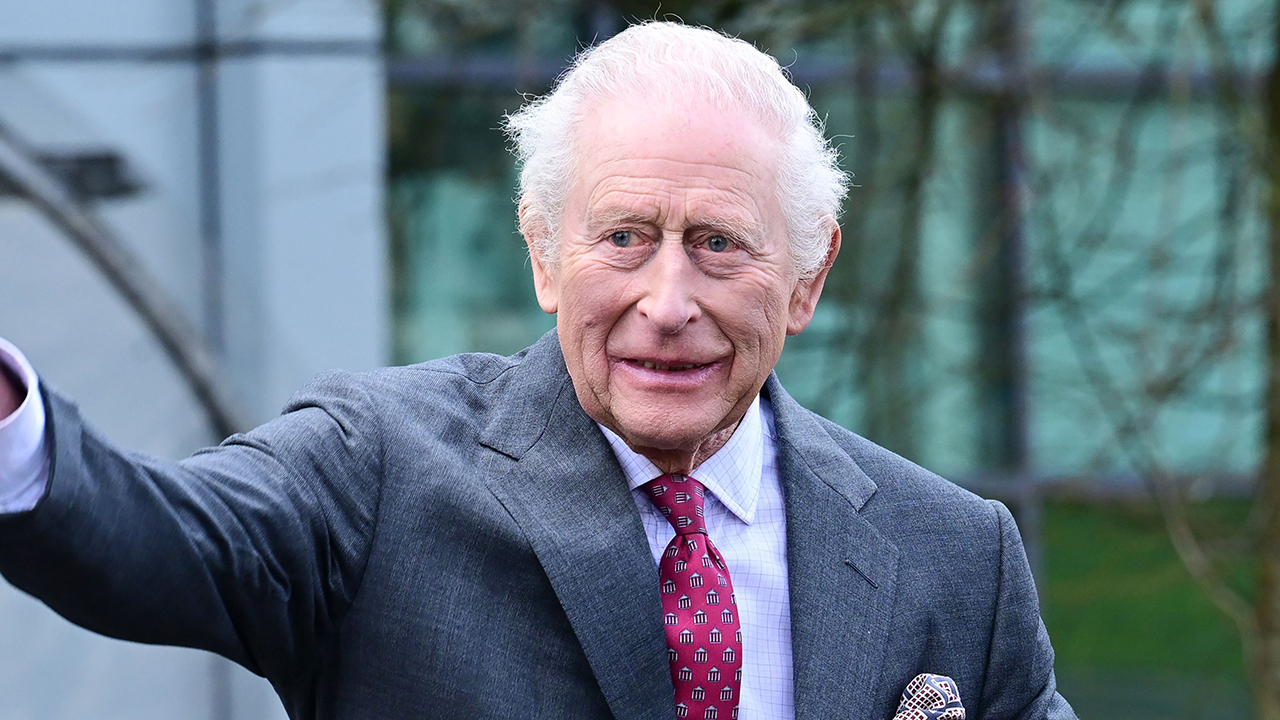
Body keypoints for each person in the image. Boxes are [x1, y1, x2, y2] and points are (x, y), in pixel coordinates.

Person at [0, 21, 1075, 720]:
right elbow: (157, 539)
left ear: (805, 274)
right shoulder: (379, 471)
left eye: (717, 243)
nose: (666, 302)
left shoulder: (952, 559)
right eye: (621, 239)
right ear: (542, 254)